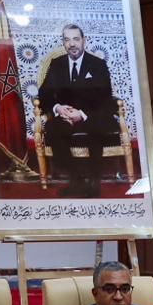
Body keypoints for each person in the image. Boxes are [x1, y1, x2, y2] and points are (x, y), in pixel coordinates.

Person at [36, 24, 118, 197]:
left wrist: (81, 114)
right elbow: (43, 94)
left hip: (91, 115)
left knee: (96, 127)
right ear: (63, 43)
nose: (72, 44)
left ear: (83, 41)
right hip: (66, 117)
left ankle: (93, 183)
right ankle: (76, 180)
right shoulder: (57, 64)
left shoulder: (98, 64)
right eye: (67, 40)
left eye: (75, 39)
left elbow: (105, 99)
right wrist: (58, 108)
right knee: (52, 128)